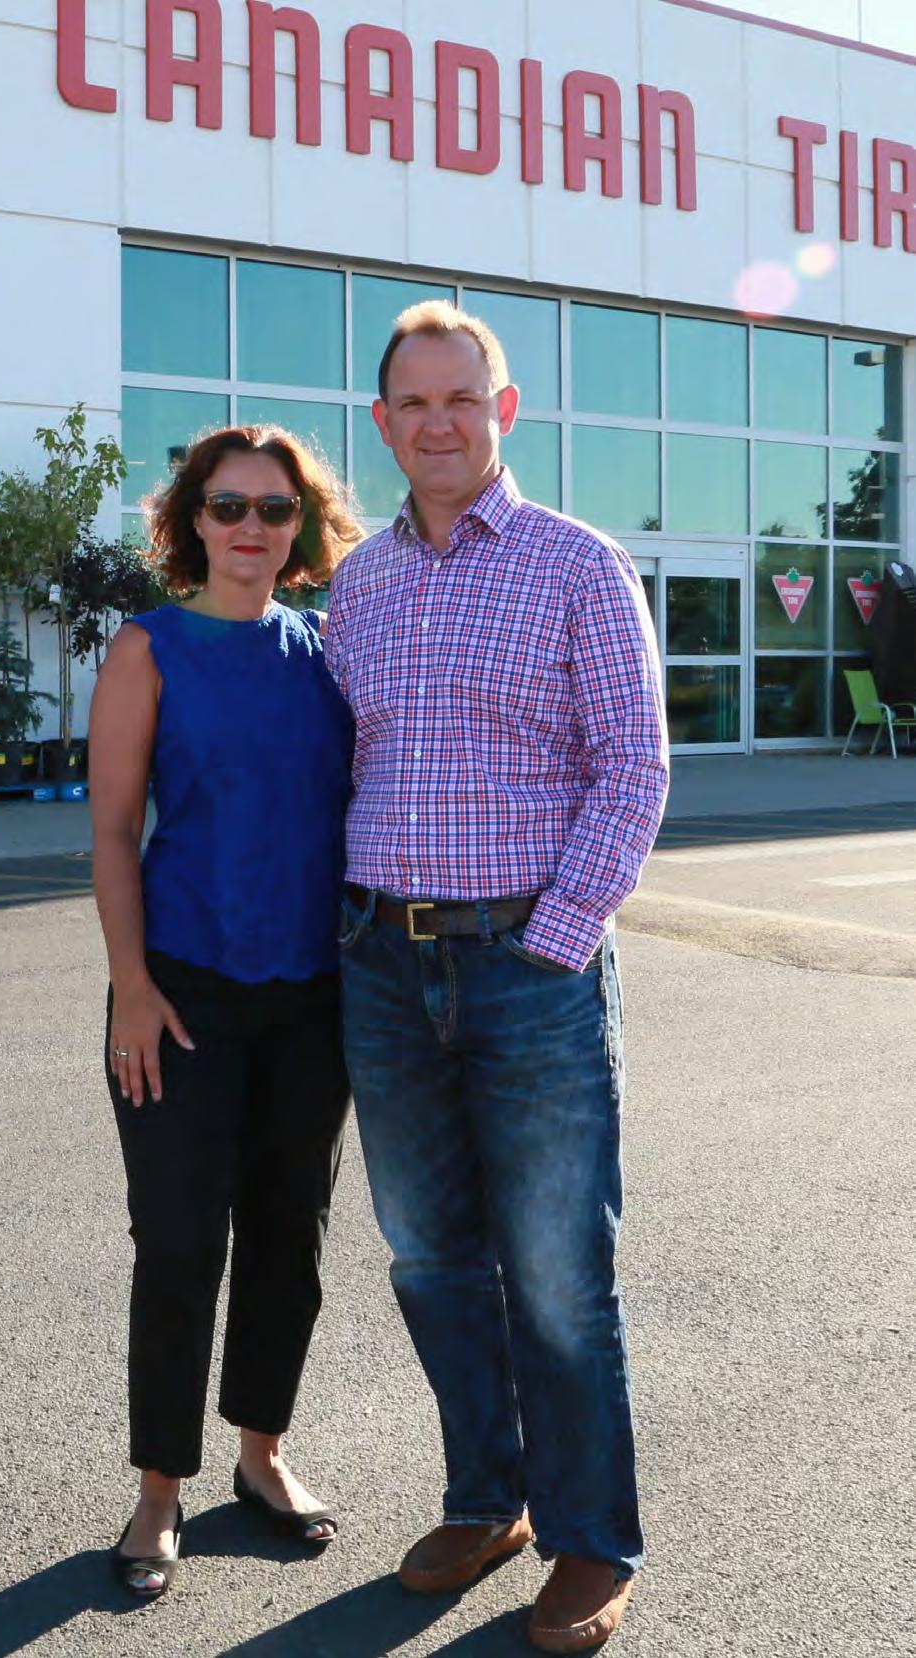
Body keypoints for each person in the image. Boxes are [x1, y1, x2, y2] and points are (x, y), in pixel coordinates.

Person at [324, 302, 669, 1656]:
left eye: (460, 398)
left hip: (530, 961)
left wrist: (559, 933)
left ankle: (590, 1538)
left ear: (503, 410)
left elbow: (632, 764)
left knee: (557, 1274)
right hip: (380, 961)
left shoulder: (577, 564)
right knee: (429, 1258)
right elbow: (347, 767)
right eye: (412, 403)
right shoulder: (359, 584)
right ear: (382, 422)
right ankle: (486, 1498)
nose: (438, 423)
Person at [88, 424, 360, 1600]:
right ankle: (159, 1488)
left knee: (289, 1233)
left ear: (303, 527)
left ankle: (262, 1451)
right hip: (181, 990)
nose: (252, 526)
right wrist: (132, 988)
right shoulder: (148, 647)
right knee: (181, 1239)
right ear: (191, 520)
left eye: (276, 508)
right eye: (229, 505)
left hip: (312, 998)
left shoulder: (328, 648)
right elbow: (112, 831)